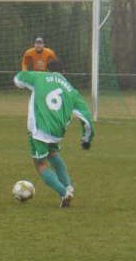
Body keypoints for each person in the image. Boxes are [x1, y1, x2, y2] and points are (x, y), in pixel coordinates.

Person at [14, 59, 94, 208]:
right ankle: (68, 186)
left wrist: (23, 82)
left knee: (40, 165)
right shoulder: (72, 91)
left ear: (47, 69)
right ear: (64, 72)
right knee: (52, 153)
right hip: (57, 130)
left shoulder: (39, 77)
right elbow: (86, 118)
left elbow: (18, 78)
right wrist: (86, 139)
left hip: (39, 129)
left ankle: (64, 193)